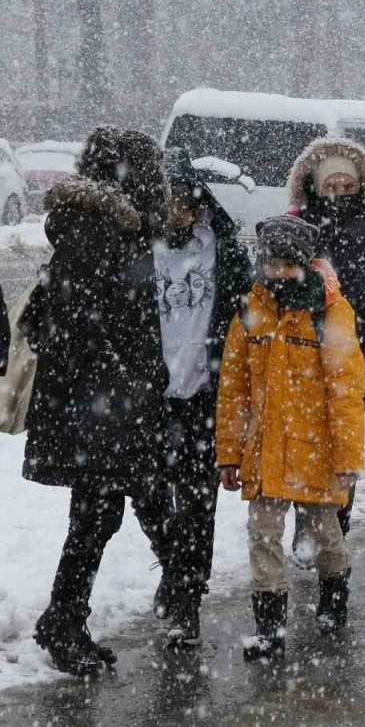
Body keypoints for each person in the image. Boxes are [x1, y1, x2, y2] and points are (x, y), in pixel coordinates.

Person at [21, 126, 171, 676]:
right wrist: (123, 382)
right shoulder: (96, 226)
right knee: (103, 512)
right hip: (100, 406)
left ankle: (67, 618)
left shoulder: (110, 224)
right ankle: (67, 621)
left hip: (106, 403)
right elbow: (75, 320)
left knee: (105, 511)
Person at [216, 216, 365, 660]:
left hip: (314, 451)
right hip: (263, 452)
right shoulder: (251, 310)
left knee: (325, 534)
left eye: (287, 263)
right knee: (263, 535)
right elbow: (234, 389)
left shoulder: (330, 311)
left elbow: (345, 391)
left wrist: (347, 459)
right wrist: (229, 453)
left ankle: (333, 601)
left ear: (304, 262)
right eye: (272, 263)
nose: (278, 272)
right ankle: (269, 629)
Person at [286, 138, 365, 548]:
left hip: (356, 357)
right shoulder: (295, 225)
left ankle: (337, 525)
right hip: (301, 352)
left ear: (361, 185)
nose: (339, 193)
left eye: (348, 186)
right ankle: (306, 519)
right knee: (305, 437)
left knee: (343, 439)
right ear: (314, 184)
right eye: (331, 186)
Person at [151, 149, 254, 647]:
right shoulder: (139, 249)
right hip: (149, 397)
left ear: (198, 205)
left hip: (203, 395)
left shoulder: (223, 249)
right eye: (165, 203)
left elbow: (246, 315)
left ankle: (186, 598)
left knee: (196, 502)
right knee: (150, 497)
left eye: (183, 203)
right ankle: (174, 567)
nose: (175, 213)